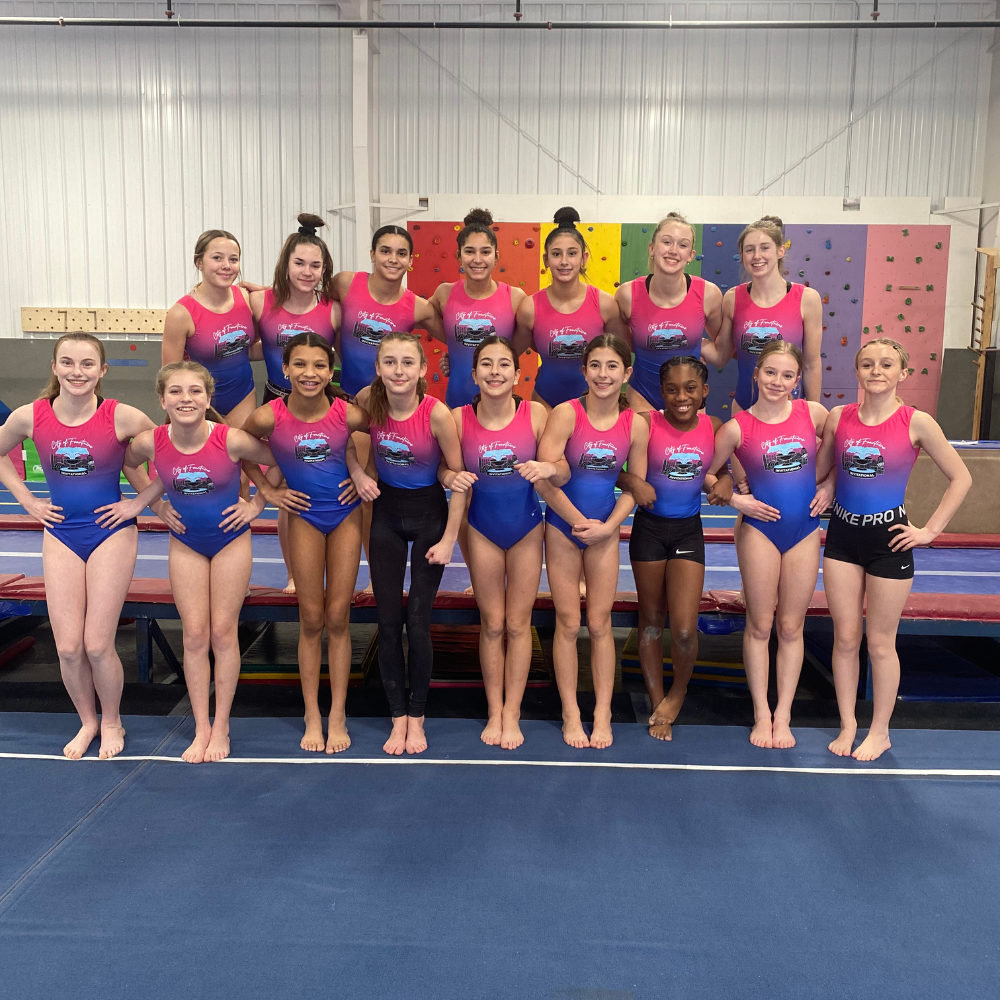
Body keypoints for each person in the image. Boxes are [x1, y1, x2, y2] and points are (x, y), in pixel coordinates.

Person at [0, 334, 172, 760]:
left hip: (109, 531)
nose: (78, 371)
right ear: (55, 367)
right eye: (68, 362)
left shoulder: (122, 415)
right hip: (60, 531)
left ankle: (112, 720)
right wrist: (26, 500)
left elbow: (177, 453)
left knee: (97, 643)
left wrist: (138, 503)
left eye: (87, 363)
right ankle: (87, 721)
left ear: (102, 371)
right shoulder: (30, 416)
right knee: (68, 647)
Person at [817, 338, 971, 761]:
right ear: (858, 371)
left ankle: (880, 730)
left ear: (903, 372)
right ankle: (849, 722)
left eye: (886, 364)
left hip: (890, 539)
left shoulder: (916, 421)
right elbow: (825, 469)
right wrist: (830, 483)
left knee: (881, 642)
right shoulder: (838, 417)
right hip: (843, 537)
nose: (876, 371)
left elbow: (961, 478)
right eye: (867, 364)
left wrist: (929, 531)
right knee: (845, 637)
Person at [125, 362, 275, 763]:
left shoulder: (231, 439)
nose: (185, 399)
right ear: (162, 399)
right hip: (186, 542)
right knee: (194, 635)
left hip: (229, 541)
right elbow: (128, 464)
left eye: (195, 391)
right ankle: (201, 726)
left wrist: (257, 504)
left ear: (208, 399)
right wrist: (155, 505)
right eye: (176, 391)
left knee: (223, 633)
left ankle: (221, 724)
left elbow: (279, 460)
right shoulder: (152, 441)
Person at [242, 334, 374, 755]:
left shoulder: (347, 413)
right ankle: (311, 713)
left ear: (330, 370)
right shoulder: (268, 417)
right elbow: (237, 448)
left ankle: (337, 714)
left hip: (344, 515)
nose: (310, 374)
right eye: (300, 365)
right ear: (284, 370)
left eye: (319, 365)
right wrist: (268, 491)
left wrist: (360, 473)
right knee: (311, 617)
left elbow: (383, 435)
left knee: (338, 617)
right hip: (302, 516)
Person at [707, 341, 832, 749]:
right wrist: (739, 499)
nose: (778, 382)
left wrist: (829, 485)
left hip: (803, 530)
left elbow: (844, 455)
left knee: (792, 627)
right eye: (771, 373)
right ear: (756, 374)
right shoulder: (737, 427)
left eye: (787, 375)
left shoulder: (813, 414)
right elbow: (705, 474)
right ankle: (762, 712)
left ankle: (784, 714)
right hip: (759, 531)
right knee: (760, 625)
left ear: (798, 381)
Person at [449, 335, 561, 750]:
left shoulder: (535, 414)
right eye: (487, 365)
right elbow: (448, 473)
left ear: (518, 373)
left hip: (527, 527)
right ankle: (494, 708)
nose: (495, 372)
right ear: (474, 373)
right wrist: (447, 479)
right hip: (482, 530)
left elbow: (560, 468)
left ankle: (513, 711)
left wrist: (549, 465)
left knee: (518, 623)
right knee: (492, 624)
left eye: (503, 365)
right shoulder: (459, 419)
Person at [537, 334, 647, 749]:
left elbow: (635, 486)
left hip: (604, 531)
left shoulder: (633, 423)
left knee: (600, 625)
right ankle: (570, 712)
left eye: (612, 366)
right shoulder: (566, 414)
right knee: (568, 623)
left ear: (627, 373)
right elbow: (547, 481)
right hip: (565, 528)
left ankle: (603, 712)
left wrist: (609, 526)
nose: (603, 374)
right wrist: (580, 522)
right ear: (584, 371)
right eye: (596, 365)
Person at [363, 333, 469, 755]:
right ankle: (397, 717)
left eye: (408, 363)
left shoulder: (436, 414)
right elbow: (352, 446)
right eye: (390, 362)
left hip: (429, 516)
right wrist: (357, 473)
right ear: (378, 368)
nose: (399, 371)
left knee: (418, 621)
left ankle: (418, 716)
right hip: (386, 516)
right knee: (388, 622)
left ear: (423, 370)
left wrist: (448, 540)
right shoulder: (368, 406)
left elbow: (458, 479)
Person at [619, 357, 733, 740]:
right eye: (671, 389)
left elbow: (723, 470)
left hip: (687, 532)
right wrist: (635, 483)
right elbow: (612, 468)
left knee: (684, 629)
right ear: (661, 391)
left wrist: (728, 483)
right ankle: (657, 703)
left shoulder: (713, 426)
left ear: (704, 392)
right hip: (649, 530)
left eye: (689, 389)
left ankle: (678, 691)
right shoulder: (645, 424)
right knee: (651, 622)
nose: (680, 397)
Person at [332, 226, 442, 588]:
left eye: (401, 253)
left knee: (377, 487)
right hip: (353, 403)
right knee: (362, 495)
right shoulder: (347, 283)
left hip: (392, 410)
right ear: (373, 254)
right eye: (385, 251)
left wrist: (456, 362)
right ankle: (375, 569)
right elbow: (302, 293)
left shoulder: (418, 305)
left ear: (411, 260)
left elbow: (455, 335)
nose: (393, 259)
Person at [249, 212, 340, 594]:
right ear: (285, 264)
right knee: (287, 491)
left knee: (321, 487)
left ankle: (333, 571)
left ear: (324, 269)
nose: (307, 271)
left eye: (315, 265)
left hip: (321, 404)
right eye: (299, 263)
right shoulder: (258, 301)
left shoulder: (333, 309)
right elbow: (246, 346)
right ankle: (293, 574)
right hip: (277, 400)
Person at [615, 212, 727, 413]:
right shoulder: (627, 295)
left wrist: (694, 343)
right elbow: (624, 345)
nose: (674, 250)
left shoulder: (708, 294)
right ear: (652, 248)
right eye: (667, 242)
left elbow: (721, 351)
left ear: (691, 255)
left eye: (683, 245)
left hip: (689, 399)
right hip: (642, 396)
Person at [513, 207, 622, 409]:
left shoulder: (605, 304)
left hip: (594, 404)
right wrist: (459, 358)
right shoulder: (530, 308)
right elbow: (507, 354)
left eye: (572, 254)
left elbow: (628, 352)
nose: (564, 261)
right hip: (545, 402)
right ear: (546, 260)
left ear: (583, 259)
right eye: (556, 254)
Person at [429, 208, 526, 408]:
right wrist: (455, 354)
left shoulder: (515, 298)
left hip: (500, 409)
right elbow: (410, 313)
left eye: (486, 252)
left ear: (496, 256)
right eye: (470, 251)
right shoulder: (444, 294)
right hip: (455, 405)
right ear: (459, 255)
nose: (478, 259)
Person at [162, 230, 258, 428]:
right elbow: (170, 376)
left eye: (233, 259)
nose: (226, 266)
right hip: (197, 403)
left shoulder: (246, 299)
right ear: (199, 262)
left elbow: (248, 350)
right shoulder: (181, 314)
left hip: (242, 396)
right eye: (217, 258)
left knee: (239, 457)